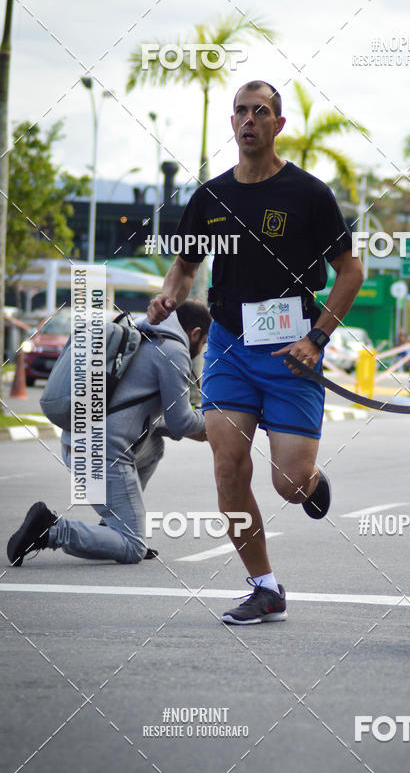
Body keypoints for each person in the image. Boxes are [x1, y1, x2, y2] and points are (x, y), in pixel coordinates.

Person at [147, 80, 364, 624]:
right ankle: (265, 585)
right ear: (233, 122)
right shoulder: (211, 198)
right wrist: (170, 293)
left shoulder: (309, 195)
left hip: (292, 351)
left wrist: (317, 339)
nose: (248, 119)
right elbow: (186, 266)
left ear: (278, 125)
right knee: (228, 468)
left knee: (289, 484)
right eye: (240, 111)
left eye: (260, 111)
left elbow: (350, 272)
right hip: (228, 346)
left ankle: (312, 482)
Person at [7, 301, 211, 567]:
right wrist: (213, 421)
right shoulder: (173, 351)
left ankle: (112, 529)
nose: (202, 349)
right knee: (133, 547)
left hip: (77, 445)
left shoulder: (141, 333)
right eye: (204, 342)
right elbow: (181, 421)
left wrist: (191, 425)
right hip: (101, 457)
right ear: (195, 333)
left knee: (155, 447)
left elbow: (146, 415)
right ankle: (52, 530)